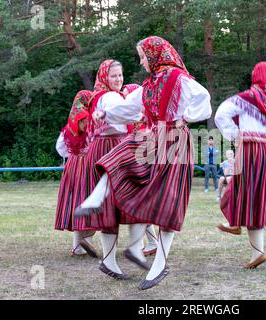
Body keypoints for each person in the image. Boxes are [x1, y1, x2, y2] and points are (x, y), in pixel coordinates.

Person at [76, 36, 212, 289]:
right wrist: (105, 113)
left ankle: (159, 265)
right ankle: (96, 198)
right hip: (152, 137)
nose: (140, 61)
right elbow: (129, 108)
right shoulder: (149, 84)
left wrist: (186, 117)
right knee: (118, 157)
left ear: (154, 55)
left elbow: (204, 101)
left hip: (174, 140)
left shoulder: (178, 78)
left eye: (142, 56)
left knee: (168, 202)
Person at [215, 61, 266, 270]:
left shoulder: (245, 98)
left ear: (254, 76)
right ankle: (252, 245)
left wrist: (234, 135)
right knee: (259, 198)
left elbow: (220, 114)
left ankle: (237, 225)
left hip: (253, 150)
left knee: (239, 191)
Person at [84, 59, 147, 279]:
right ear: (104, 77)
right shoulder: (108, 97)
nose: (118, 80)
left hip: (115, 146)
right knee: (119, 204)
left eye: (120, 75)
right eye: (113, 76)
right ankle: (112, 260)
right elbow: (122, 112)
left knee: (120, 205)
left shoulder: (111, 95)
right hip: (109, 147)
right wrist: (145, 113)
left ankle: (117, 258)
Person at [55, 90, 98, 257]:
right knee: (92, 203)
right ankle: (85, 238)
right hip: (89, 165)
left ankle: (77, 246)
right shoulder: (92, 122)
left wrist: (74, 153)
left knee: (76, 203)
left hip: (73, 166)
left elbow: (61, 149)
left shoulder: (69, 126)